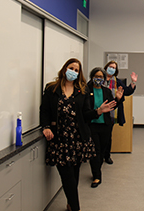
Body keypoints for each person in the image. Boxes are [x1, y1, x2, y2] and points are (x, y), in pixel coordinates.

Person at [40, 58, 116, 211]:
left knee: (73, 175)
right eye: (71, 68)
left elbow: (86, 114)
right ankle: (75, 207)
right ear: (64, 69)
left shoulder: (82, 91)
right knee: (67, 175)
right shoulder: (52, 89)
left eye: (76, 70)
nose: (73, 72)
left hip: (78, 139)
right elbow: (45, 110)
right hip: (59, 140)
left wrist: (98, 112)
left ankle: (70, 203)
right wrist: (46, 126)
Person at [87, 67, 124, 188]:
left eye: (101, 77)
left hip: (105, 125)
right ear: (92, 77)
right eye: (96, 76)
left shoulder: (106, 91)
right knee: (95, 151)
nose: (99, 79)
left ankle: (97, 169)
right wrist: (97, 111)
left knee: (102, 150)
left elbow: (111, 106)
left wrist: (118, 99)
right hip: (92, 125)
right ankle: (97, 175)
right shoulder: (86, 91)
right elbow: (85, 110)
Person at [103, 60, 138, 164]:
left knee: (108, 136)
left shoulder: (117, 81)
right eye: (110, 66)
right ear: (106, 67)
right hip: (99, 111)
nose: (111, 69)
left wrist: (133, 82)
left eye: (114, 68)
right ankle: (97, 156)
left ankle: (107, 156)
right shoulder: (99, 79)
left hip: (111, 112)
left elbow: (127, 92)